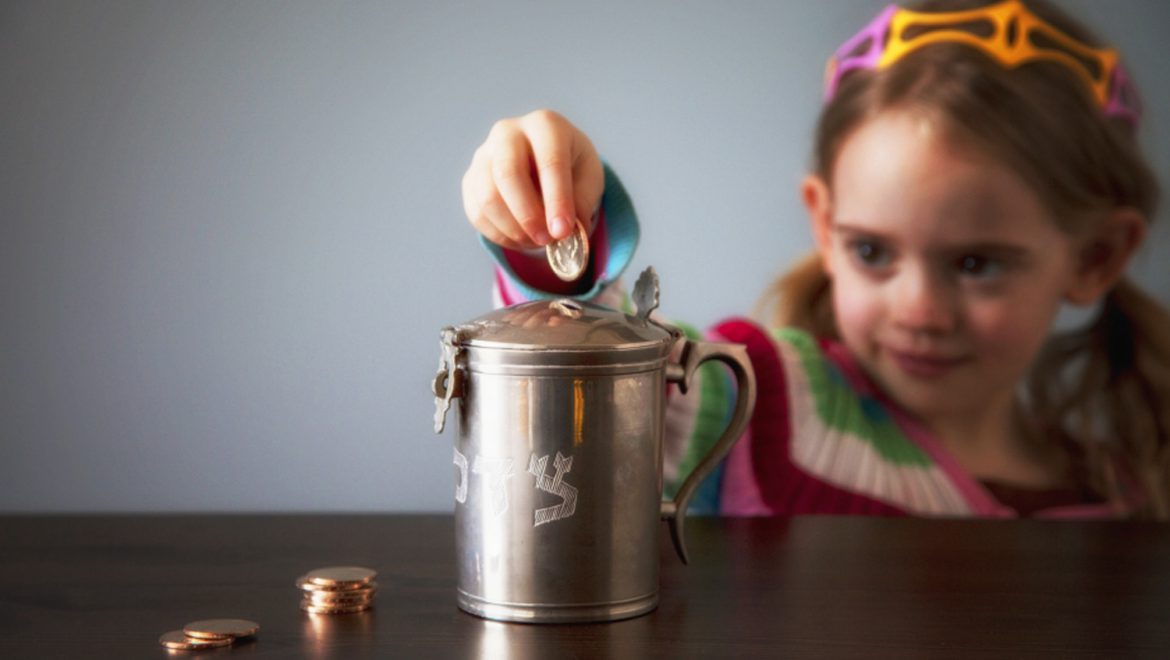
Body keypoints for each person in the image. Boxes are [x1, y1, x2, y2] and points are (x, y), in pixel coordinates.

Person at [459, 0, 1170, 519]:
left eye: (978, 264)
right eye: (871, 251)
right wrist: (550, 237)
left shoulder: (1129, 492)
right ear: (825, 226)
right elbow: (600, 391)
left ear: (1096, 257)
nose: (918, 311)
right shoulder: (762, 402)